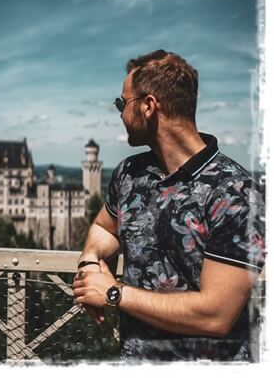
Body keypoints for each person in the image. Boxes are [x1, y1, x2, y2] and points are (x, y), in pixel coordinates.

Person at [72, 50, 264, 361]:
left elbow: (216, 315)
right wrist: (90, 262)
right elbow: (103, 227)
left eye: (123, 103)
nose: (120, 114)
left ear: (148, 106)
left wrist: (111, 293)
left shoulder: (236, 193)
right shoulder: (129, 174)